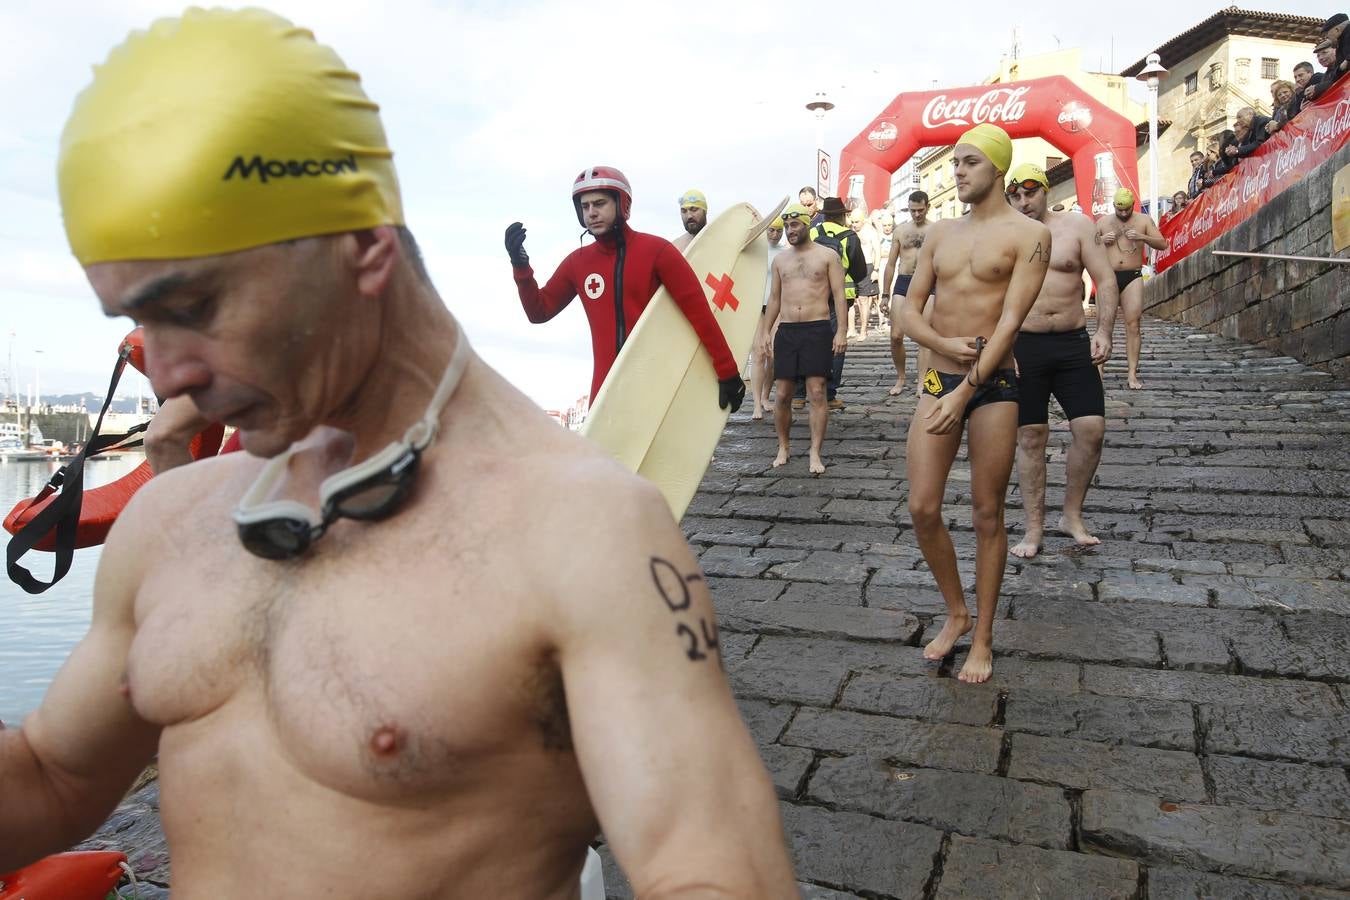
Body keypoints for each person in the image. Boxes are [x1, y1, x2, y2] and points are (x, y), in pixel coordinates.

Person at [0, 9, 797, 897]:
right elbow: (49, 775)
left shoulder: (586, 532)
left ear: (363, 250)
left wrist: (729, 371)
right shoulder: (173, 516)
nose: (169, 369)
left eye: (193, 306)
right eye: (139, 321)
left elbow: (712, 869)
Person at [899, 124, 1050, 684]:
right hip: (940, 380)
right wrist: (941, 347)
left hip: (993, 388)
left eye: (968, 162)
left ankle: (983, 635)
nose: (957, 171)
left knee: (987, 512)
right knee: (922, 506)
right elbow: (908, 311)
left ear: (998, 169)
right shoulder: (938, 234)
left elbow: (1010, 322)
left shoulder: (1029, 234)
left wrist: (968, 390)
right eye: (955, 162)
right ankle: (956, 612)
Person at [508, 169, 744, 411]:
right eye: (585, 206)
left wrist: (727, 371)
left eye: (600, 203)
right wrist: (521, 267)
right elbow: (539, 311)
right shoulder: (577, 263)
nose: (592, 213)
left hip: (658, 383)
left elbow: (699, 313)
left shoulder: (657, 251)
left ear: (623, 204)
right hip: (605, 394)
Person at [1004, 163, 1120, 558]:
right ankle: (1033, 529)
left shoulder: (1076, 226)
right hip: (1024, 346)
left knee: (1091, 430)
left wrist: (1103, 331)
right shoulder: (1003, 235)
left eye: (1031, 193)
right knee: (1031, 436)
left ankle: (1071, 515)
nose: (1024, 202)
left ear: (1046, 192)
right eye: (1016, 196)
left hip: (1072, 342)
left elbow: (1104, 279)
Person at [762, 205, 847, 474]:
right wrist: (766, 331)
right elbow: (774, 298)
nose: (790, 231)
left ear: (806, 224)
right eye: (787, 227)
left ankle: (815, 451)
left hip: (817, 328)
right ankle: (784, 447)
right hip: (787, 330)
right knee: (784, 393)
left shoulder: (827, 256)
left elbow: (839, 294)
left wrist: (842, 331)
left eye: (795, 225)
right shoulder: (780, 261)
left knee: (817, 392)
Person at [1096, 188, 1165, 390]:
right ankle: (1099, 372)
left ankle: (1132, 374)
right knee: (1103, 323)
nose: (1124, 214)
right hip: (1108, 276)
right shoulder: (1102, 222)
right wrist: (1101, 241)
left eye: (1127, 210)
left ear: (1132, 206)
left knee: (1133, 324)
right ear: (1114, 206)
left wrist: (1143, 237)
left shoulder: (1143, 220)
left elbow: (1163, 244)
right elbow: (1087, 246)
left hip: (1132, 275)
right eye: (1120, 209)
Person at [808, 197, 869, 410]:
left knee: (809, 340)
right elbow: (860, 271)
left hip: (813, 294)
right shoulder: (850, 236)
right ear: (843, 215)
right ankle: (830, 394)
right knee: (837, 341)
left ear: (824, 215)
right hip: (840, 296)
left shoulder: (813, 232)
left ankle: (799, 392)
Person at [881, 191, 933, 396]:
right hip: (904, 281)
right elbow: (891, 264)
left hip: (929, 282)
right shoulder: (901, 231)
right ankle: (901, 378)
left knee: (925, 335)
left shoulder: (935, 229)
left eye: (920, 210)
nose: (917, 214)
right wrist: (885, 294)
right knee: (895, 336)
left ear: (927, 207)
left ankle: (922, 381)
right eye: (913, 210)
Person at [751, 216, 785, 420]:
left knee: (773, 354)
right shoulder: (757, 252)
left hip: (776, 305)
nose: (774, 234)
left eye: (778, 231)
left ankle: (765, 397)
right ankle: (756, 403)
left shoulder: (784, 253)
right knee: (758, 354)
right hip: (756, 306)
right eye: (771, 230)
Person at [847, 207, 881, 340]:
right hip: (851, 267)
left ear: (863, 221)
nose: (854, 225)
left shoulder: (871, 232)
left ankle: (863, 330)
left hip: (866, 267)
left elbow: (877, 251)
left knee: (863, 300)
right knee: (850, 299)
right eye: (853, 222)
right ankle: (851, 329)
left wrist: (876, 270)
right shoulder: (850, 231)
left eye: (857, 222)